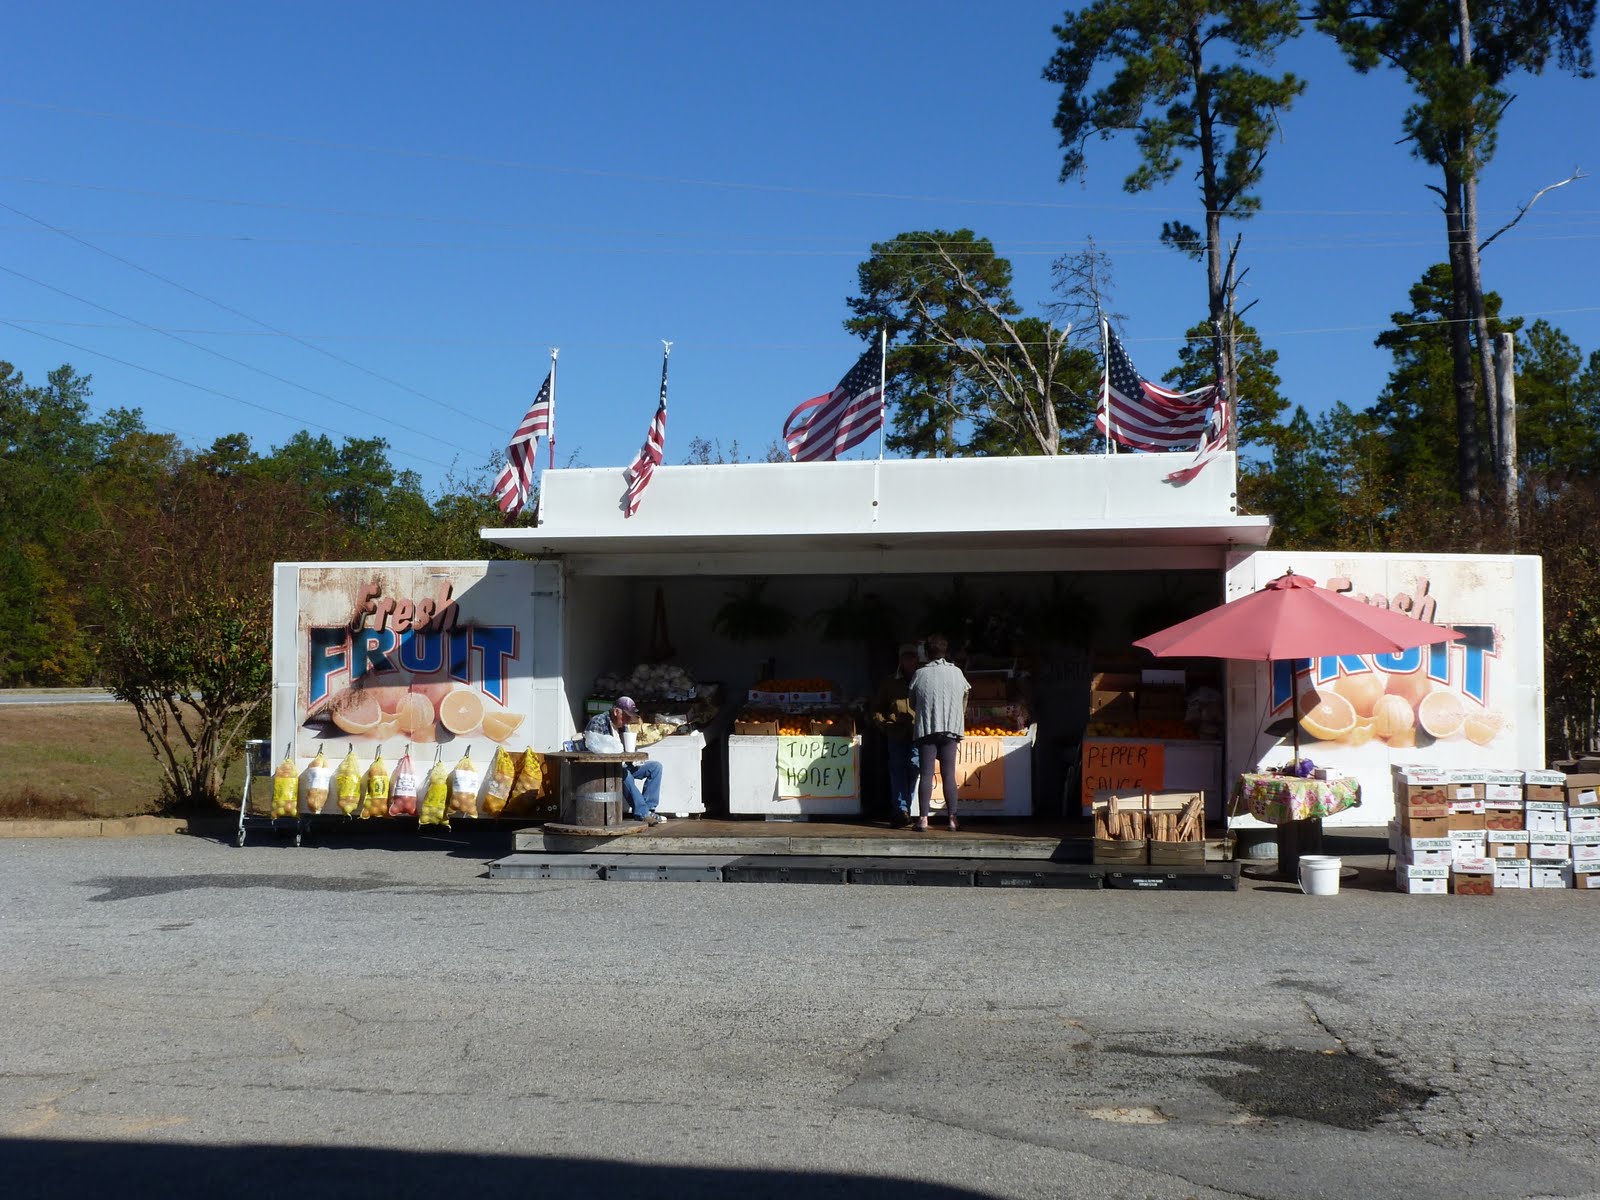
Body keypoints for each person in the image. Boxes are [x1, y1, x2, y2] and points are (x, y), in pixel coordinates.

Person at [908, 634, 970, 832]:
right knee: (948, 775)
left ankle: (923, 820)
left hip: (927, 729)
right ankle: (953, 819)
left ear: (927, 653)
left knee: (926, 774)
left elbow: (912, 702)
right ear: (945, 652)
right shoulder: (957, 673)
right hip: (951, 728)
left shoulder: (920, 674)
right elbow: (965, 695)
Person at [584, 696, 665, 825]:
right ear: (616, 712)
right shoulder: (598, 721)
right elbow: (594, 749)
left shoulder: (623, 726)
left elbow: (627, 748)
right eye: (626, 716)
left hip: (624, 764)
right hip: (606, 768)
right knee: (625, 775)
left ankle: (649, 810)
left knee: (655, 767)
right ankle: (642, 814)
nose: (628, 720)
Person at [871, 643, 923, 828]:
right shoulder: (890, 682)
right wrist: (884, 725)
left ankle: (906, 807)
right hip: (896, 732)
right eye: (907, 657)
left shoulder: (924, 678)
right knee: (897, 770)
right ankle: (901, 810)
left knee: (914, 768)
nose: (910, 660)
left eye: (913, 657)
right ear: (901, 660)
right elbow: (877, 708)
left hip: (918, 733)